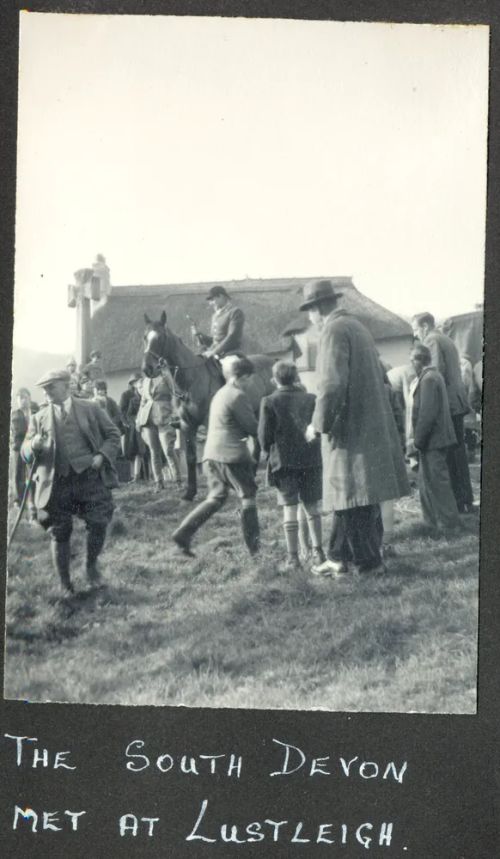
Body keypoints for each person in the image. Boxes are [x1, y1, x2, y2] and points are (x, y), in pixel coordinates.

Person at [299, 279, 409, 577]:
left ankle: (367, 564)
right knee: (351, 496)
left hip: (350, 432)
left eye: (309, 311)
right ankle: (338, 557)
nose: (310, 319)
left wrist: (318, 425)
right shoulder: (357, 327)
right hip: (369, 426)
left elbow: (331, 386)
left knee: (353, 495)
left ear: (319, 308)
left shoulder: (333, 331)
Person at [21, 370, 121, 594]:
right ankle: (65, 584)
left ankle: (91, 566)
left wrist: (101, 456)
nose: (46, 392)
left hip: (89, 477)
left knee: (98, 523)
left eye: (51, 387)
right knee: (60, 531)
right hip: (57, 483)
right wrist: (32, 445)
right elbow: (24, 453)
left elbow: (114, 435)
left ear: (67, 386)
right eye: (44, 388)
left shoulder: (91, 408)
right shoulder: (39, 418)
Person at [172, 355, 260, 557]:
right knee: (248, 497)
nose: (251, 383)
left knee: (215, 498)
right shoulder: (238, 396)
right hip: (232, 456)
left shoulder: (219, 394)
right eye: (250, 379)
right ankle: (255, 550)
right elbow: (252, 427)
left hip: (210, 456)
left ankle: (183, 533)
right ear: (241, 377)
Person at [258, 360, 325, 570]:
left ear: (274, 379)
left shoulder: (269, 401)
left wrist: (268, 447)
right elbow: (317, 430)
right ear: (296, 377)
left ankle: (293, 558)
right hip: (311, 459)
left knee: (289, 508)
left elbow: (264, 437)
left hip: (284, 462)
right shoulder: (311, 398)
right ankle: (318, 553)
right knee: (312, 507)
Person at [411, 312, 474, 513]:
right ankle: (463, 500)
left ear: (425, 326)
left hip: (448, 405)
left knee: (450, 456)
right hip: (455, 402)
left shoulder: (432, 340)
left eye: (415, 329)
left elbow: (433, 372)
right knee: (458, 455)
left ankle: (456, 502)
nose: (415, 335)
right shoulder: (445, 338)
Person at [410, 343, 461, 535]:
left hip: (433, 440)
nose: (411, 365)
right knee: (429, 482)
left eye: (412, 360)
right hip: (435, 439)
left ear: (419, 360)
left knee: (438, 483)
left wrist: (418, 441)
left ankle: (449, 523)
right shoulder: (433, 376)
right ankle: (432, 521)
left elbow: (427, 414)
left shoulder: (429, 379)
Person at [136, 368, 182, 490]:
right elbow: (143, 400)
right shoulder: (145, 380)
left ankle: (178, 481)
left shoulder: (165, 376)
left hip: (165, 417)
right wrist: (139, 419)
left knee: (168, 450)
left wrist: (174, 413)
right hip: (148, 419)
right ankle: (159, 482)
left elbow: (174, 394)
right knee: (153, 451)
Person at [191, 285, 245, 361]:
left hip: (231, 353)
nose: (211, 303)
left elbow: (232, 337)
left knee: (230, 368)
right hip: (214, 353)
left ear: (221, 296)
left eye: (212, 300)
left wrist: (214, 352)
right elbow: (215, 340)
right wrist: (201, 336)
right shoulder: (215, 316)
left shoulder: (235, 312)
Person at [9, 387, 39, 520]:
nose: (23, 401)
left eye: (25, 398)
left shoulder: (34, 412)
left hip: (32, 447)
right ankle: (18, 500)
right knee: (18, 473)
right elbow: (20, 431)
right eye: (20, 398)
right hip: (19, 447)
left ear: (29, 399)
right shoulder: (16, 415)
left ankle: (33, 499)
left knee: (32, 473)